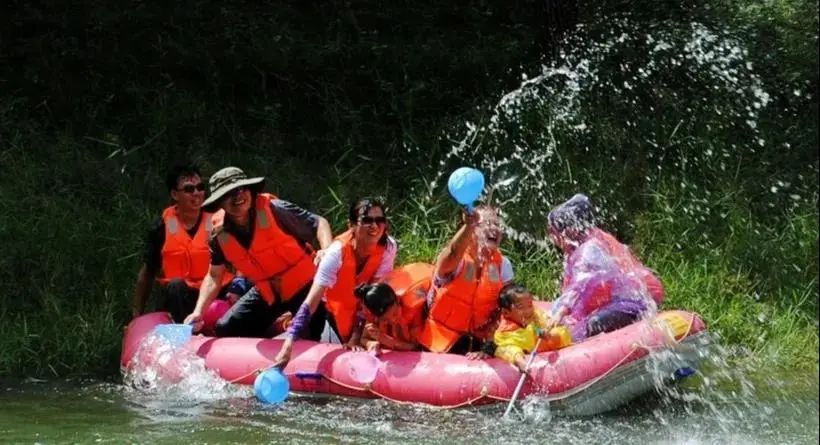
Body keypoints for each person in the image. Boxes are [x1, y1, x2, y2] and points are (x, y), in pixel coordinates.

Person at [183, 166, 334, 338]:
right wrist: (198, 312)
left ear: (249, 190)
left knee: (310, 333)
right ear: (220, 203)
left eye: (240, 190)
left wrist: (326, 250)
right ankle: (273, 333)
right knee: (226, 329)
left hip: (305, 286)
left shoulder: (276, 209)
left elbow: (319, 223)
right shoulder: (219, 235)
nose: (237, 197)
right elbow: (214, 276)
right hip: (268, 291)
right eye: (228, 194)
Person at [273, 198, 397, 366]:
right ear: (352, 225)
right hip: (326, 310)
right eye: (366, 220)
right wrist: (287, 346)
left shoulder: (388, 248)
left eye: (379, 220)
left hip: (356, 310)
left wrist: (357, 335)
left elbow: (370, 300)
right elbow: (311, 302)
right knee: (307, 332)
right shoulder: (336, 254)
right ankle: (285, 327)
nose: (374, 226)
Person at [547, 193, 665, 340]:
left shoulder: (590, 249)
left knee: (593, 325)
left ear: (569, 230)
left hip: (629, 303)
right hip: (616, 302)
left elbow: (581, 284)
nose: (552, 238)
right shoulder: (587, 242)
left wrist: (560, 312)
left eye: (553, 232)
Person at [131, 162, 236, 322]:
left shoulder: (219, 221)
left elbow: (240, 259)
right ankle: (186, 335)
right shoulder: (161, 227)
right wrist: (137, 314)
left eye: (200, 187)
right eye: (188, 189)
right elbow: (147, 273)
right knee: (175, 286)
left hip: (215, 292)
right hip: (181, 296)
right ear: (174, 194)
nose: (196, 193)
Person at [417, 205, 515, 356]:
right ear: (471, 231)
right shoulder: (456, 260)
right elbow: (452, 253)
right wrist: (469, 224)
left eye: (496, 224)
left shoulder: (503, 265)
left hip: (479, 344)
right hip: (439, 345)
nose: (494, 228)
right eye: (486, 224)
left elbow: (507, 310)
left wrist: (488, 347)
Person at [493, 283, 572, 372]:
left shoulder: (535, 314)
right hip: (521, 349)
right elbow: (506, 347)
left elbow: (544, 325)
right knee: (504, 349)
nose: (528, 311)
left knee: (559, 332)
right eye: (521, 307)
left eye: (530, 305)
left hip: (537, 344)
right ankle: (520, 361)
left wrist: (545, 334)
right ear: (506, 313)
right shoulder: (505, 331)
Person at [355, 282, 426, 353]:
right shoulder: (374, 315)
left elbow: (418, 348)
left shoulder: (414, 311)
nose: (393, 320)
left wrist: (387, 340)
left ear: (397, 300)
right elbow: (363, 339)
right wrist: (370, 344)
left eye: (395, 313)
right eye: (385, 319)